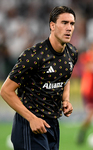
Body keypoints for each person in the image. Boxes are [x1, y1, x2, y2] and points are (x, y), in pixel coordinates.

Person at [0, 6, 78, 150]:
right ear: (52, 26)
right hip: (29, 125)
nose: (69, 28)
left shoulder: (72, 53)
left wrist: (65, 100)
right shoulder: (33, 55)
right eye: (64, 23)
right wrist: (31, 119)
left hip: (53, 125)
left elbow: (65, 78)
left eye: (72, 24)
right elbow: (5, 91)